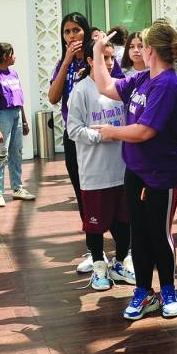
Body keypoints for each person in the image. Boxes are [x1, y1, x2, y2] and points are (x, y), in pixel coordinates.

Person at [90, 24, 177, 320]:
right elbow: (106, 87)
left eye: (142, 45)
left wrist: (111, 132)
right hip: (137, 171)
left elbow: (145, 131)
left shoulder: (168, 84)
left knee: (159, 234)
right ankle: (143, 292)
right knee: (140, 235)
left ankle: (168, 290)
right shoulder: (143, 78)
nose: (137, 50)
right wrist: (96, 53)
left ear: (150, 50)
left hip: (163, 173)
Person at [67, 39, 135, 290]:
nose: (108, 62)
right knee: (94, 225)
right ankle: (98, 265)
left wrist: (121, 133)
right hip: (94, 173)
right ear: (89, 60)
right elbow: (73, 129)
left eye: (111, 58)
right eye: (103, 57)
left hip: (121, 169)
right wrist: (103, 135)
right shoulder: (81, 91)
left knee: (123, 221)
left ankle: (120, 263)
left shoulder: (119, 87)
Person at [48, 13, 94, 270]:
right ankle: (92, 248)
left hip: (99, 134)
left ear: (85, 32)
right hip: (73, 135)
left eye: (76, 30)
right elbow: (53, 98)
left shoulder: (97, 58)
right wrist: (66, 60)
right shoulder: (63, 63)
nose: (72, 35)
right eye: (67, 31)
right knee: (81, 191)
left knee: (108, 189)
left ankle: (124, 250)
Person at [0, 42, 34, 206]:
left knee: (16, 152)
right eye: (13, 54)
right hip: (2, 116)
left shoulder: (13, 73)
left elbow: (20, 99)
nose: (15, 57)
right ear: (6, 56)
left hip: (16, 115)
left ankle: (17, 188)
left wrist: (24, 120)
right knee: (0, 155)